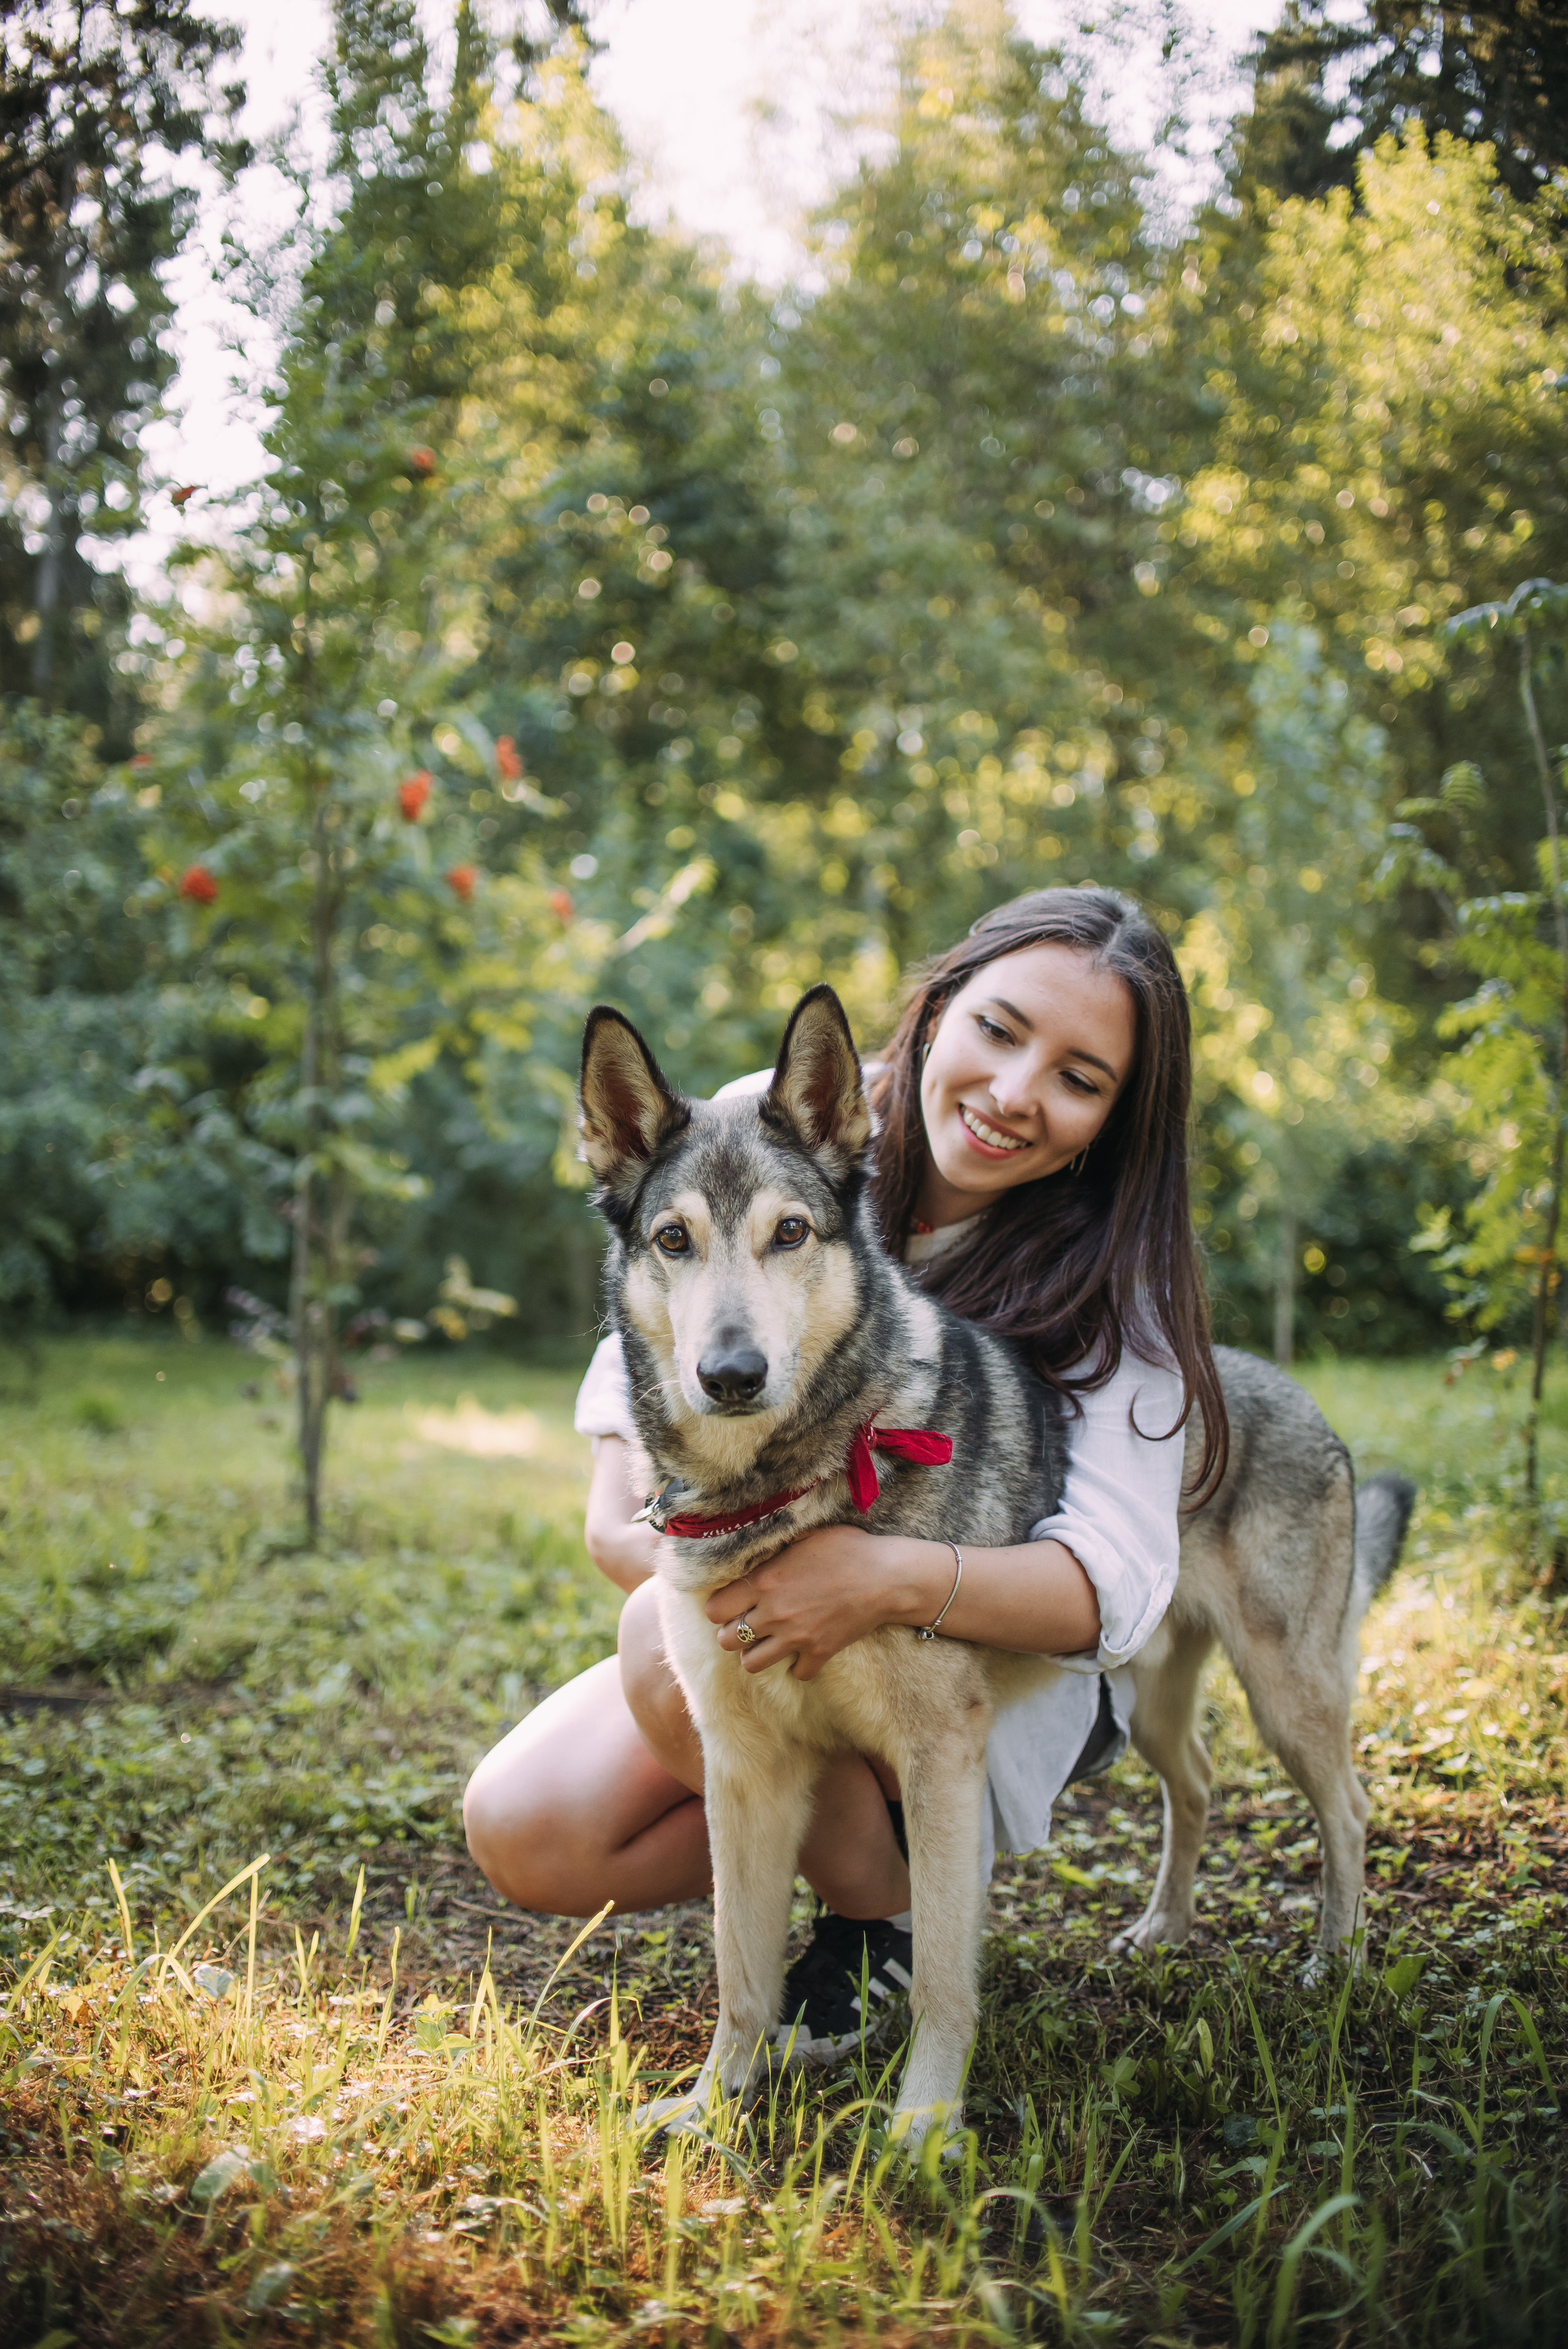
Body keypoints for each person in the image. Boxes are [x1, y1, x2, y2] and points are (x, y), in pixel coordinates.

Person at [464, 885, 1228, 2057]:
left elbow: (1112, 1595)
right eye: (1003, 1029)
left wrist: (871, 1578)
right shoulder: (752, 1133)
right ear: (937, 1011)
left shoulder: (1120, 1287)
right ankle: (829, 1861)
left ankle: (893, 1919)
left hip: (981, 1654)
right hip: (755, 1597)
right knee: (532, 1822)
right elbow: (629, 1475)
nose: (1017, 1092)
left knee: (693, 1650)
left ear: (1117, 1117)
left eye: (1080, 1079)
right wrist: (721, 1564)